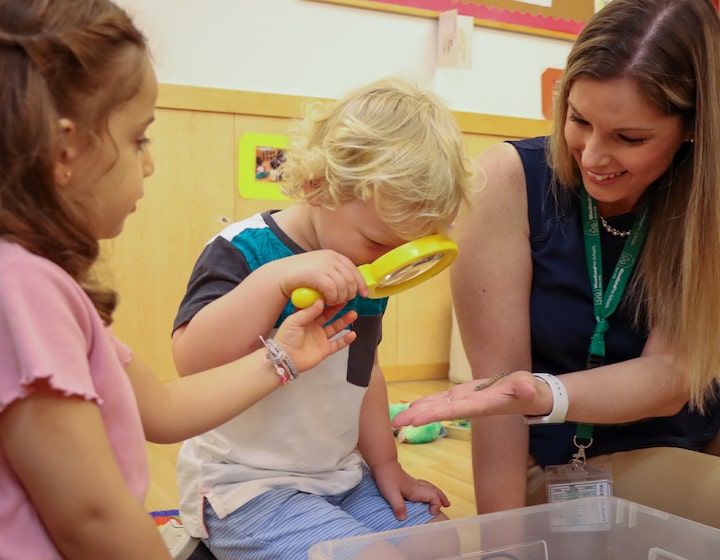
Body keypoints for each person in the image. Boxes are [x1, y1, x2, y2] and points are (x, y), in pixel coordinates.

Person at [0, 2, 359, 559]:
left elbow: (162, 410)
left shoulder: (39, 282)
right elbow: (92, 517)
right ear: (66, 149)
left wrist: (283, 356)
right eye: (139, 139)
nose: (147, 164)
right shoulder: (22, 288)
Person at [393, 0, 720, 529]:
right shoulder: (506, 182)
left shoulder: (704, 203)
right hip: (561, 468)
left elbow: (671, 377)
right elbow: (495, 399)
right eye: (579, 120)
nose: (592, 155)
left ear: (692, 129)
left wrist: (544, 392)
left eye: (629, 138)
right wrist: (504, 540)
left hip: (684, 450)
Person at [170, 78, 475, 559]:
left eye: (405, 248)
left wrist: (388, 465)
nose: (388, 260)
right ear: (318, 186)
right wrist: (273, 283)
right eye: (379, 243)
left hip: (340, 475)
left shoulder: (365, 268)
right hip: (247, 486)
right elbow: (191, 362)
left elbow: (364, 371)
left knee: (439, 540)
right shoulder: (242, 249)